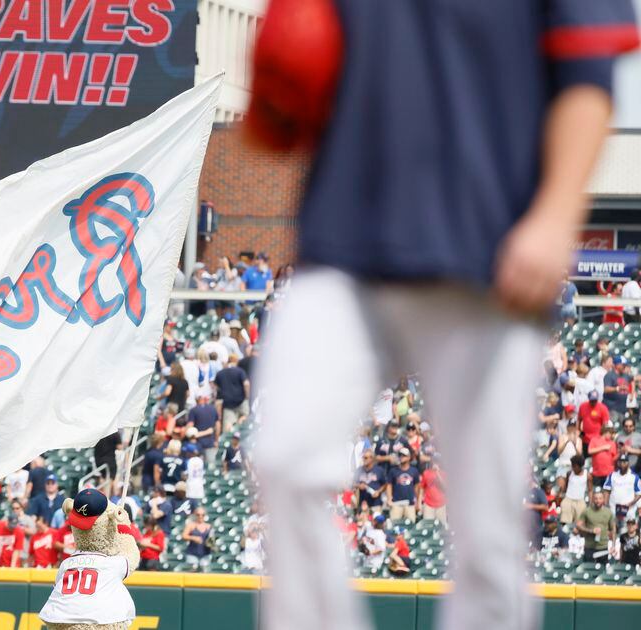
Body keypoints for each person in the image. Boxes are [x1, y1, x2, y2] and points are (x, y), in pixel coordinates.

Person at [250, 0, 639, 621]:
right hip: (341, 242)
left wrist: (557, 216)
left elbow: (588, 78)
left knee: (487, 531)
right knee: (285, 456)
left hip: (484, 254)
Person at [577, 489, 616, 563]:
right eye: (596, 498)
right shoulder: (587, 511)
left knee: (602, 571)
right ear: (592, 499)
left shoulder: (608, 512)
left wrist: (613, 545)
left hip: (603, 546)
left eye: (600, 498)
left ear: (604, 499)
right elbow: (578, 525)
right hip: (589, 546)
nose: (598, 501)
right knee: (589, 569)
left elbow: (613, 529)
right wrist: (591, 531)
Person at [559, 455, 591, 525]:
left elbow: (590, 490)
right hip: (568, 499)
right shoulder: (569, 473)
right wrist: (561, 491)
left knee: (580, 523)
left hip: (580, 500)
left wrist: (591, 503)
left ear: (580, 466)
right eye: (572, 465)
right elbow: (565, 487)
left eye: (574, 466)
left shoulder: (587, 475)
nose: (572, 467)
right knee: (564, 520)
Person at [181, 506, 212, 572]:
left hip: (205, 553)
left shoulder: (208, 526)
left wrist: (210, 544)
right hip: (192, 553)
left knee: (205, 572)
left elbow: (212, 540)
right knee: (192, 571)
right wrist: (193, 538)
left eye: (202, 515)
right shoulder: (191, 525)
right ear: (195, 515)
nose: (200, 516)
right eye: (198, 515)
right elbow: (184, 536)